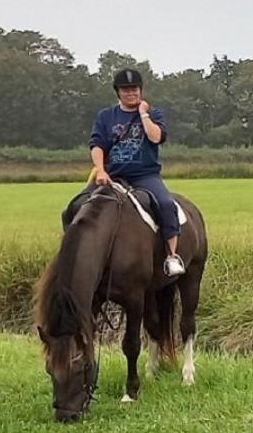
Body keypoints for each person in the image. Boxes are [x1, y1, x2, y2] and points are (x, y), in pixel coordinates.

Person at [64, 69, 186, 277]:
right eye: (126, 90)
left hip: (144, 176)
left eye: (135, 89)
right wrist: (101, 170)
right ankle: (72, 257)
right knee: (74, 207)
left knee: (166, 204)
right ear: (118, 92)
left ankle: (171, 256)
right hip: (112, 176)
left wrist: (143, 114)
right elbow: (97, 145)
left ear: (141, 90)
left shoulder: (154, 114)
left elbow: (156, 138)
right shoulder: (106, 116)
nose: (132, 93)